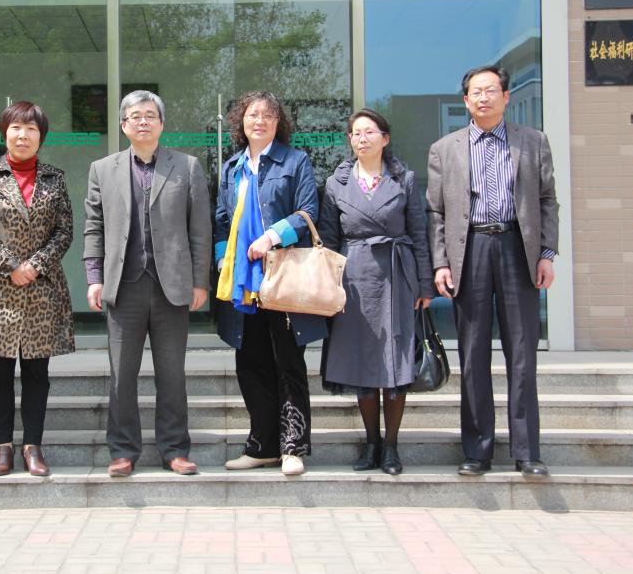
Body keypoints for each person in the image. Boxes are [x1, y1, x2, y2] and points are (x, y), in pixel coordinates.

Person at [427, 65, 560, 477]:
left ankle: (527, 452)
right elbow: (436, 212)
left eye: (490, 90)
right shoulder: (444, 149)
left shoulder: (533, 141)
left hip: (518, 247)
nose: (483, 97)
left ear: (505, 96)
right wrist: (441, 262)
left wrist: (546, 253)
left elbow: (547, 200)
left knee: (522, 353)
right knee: (473, 354)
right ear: (465, 101)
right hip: (469, 249)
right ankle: (477, 451)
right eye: (475, 92)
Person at [83, 90, 212, 477]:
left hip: (172, 287)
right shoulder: (102, 169)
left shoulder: (187, 167)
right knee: (122, 375)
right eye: (135, 116)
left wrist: (200, 282)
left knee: (171, 374)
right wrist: (94, 278)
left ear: (161, 124)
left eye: (150, 115)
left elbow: (200, 230)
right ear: (123, 125)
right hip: (123, 287)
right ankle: (122, 451)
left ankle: (175, 448)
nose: (143, 121)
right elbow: (94, 228)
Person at [0, 101, 75, 477]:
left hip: (41, 286)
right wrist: (11, 266)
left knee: (37, 371)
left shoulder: (55, 178)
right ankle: (3, 446)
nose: (23, 136)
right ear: (5, 133)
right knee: (0, 370)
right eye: (16, 128)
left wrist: (35, 265)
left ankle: (33, 446)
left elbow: (65, 230)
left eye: (31, 129)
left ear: (41, 136)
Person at [214, 90, 327, 476]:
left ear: (279, 123)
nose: (259, 121)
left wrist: (272, 236)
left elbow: (308, 212)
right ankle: (262, 445)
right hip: (243, 282)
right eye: (252, 115)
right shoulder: (231, 168)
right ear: (241, 122)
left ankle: (293, 447)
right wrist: (223, 261)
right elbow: (221, 220)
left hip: (283, 276)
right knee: (250, 362)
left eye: (268, 115)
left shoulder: (295, 161)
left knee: (288, 362)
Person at [319, 108, 434, 475]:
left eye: (370, 132)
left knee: (394, 362)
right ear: (350, 140)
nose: (362, 138)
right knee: (362, 362)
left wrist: (425, 284)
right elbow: (328, 240)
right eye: (356, 133)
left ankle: (392, 447)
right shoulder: (336, 183)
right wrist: (328, 287)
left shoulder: (404, 179)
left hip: (396, 276)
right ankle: (371, 444)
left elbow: (419, 234)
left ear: (385, 138)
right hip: (353, 280)